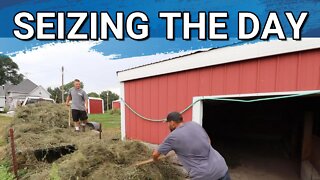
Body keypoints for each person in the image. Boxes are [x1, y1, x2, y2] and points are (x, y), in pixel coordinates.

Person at [152, 112, 230, 180]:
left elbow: (155, 154)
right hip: (221, 167)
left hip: (204, 176)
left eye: (168, 123)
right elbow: (208, 141)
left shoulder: (172, 137)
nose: (168, 125)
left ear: (172, 123)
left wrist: (155, 161)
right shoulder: (194, 124)